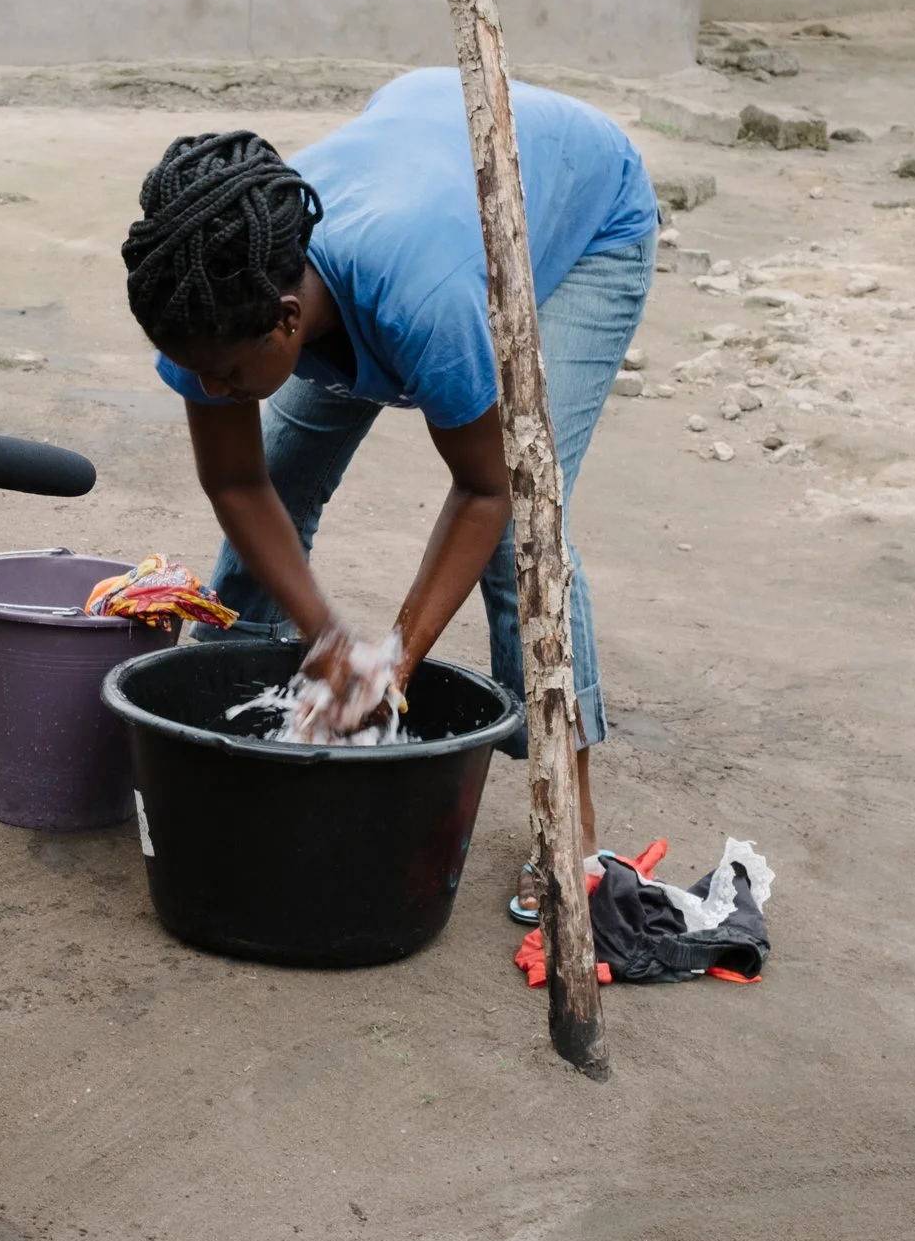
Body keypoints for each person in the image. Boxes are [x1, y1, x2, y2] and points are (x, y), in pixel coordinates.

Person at [121, 67, 655, 880]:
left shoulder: (425, 304)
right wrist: (328, 640)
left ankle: (568, 815)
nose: (214, 391)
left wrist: (392, 662)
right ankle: (232, 711)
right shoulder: (214, 293)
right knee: (284, 470)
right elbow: (239, 483)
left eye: (227, 375)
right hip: (416, 150)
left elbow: (488, 489)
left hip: (581, 215)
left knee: (526, 531)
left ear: (287, 323)